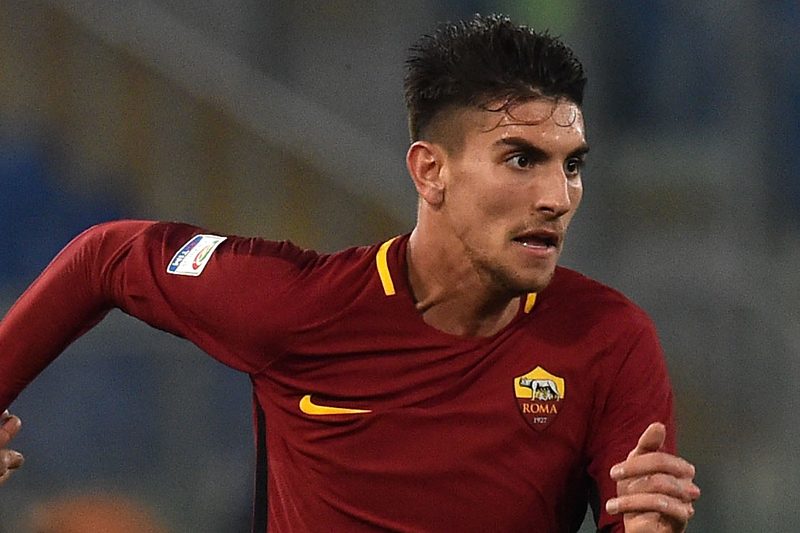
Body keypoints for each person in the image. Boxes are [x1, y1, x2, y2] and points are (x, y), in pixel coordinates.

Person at [0, 14, 699, 533]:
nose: (557, 196)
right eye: (522, 159)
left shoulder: (608, 339)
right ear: (430, 171)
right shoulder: (298, 306)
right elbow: (107, 256)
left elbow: (638, 516)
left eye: (572, 164)